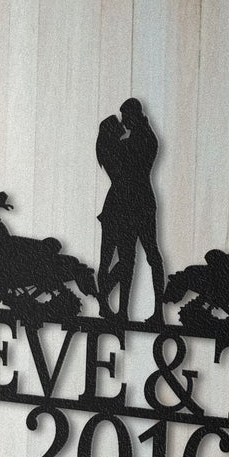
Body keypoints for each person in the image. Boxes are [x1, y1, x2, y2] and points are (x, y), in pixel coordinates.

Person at [96, 98, 165, 321]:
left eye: (125, 117)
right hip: (133, 205)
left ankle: (155, 312)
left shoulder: (141, 139)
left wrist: (110, 141)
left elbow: (124, 166)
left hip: (137, 205)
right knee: (131, 258)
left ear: (133, 115)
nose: (124, 122)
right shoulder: (138, 138)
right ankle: (123, 310)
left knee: (146, 257)